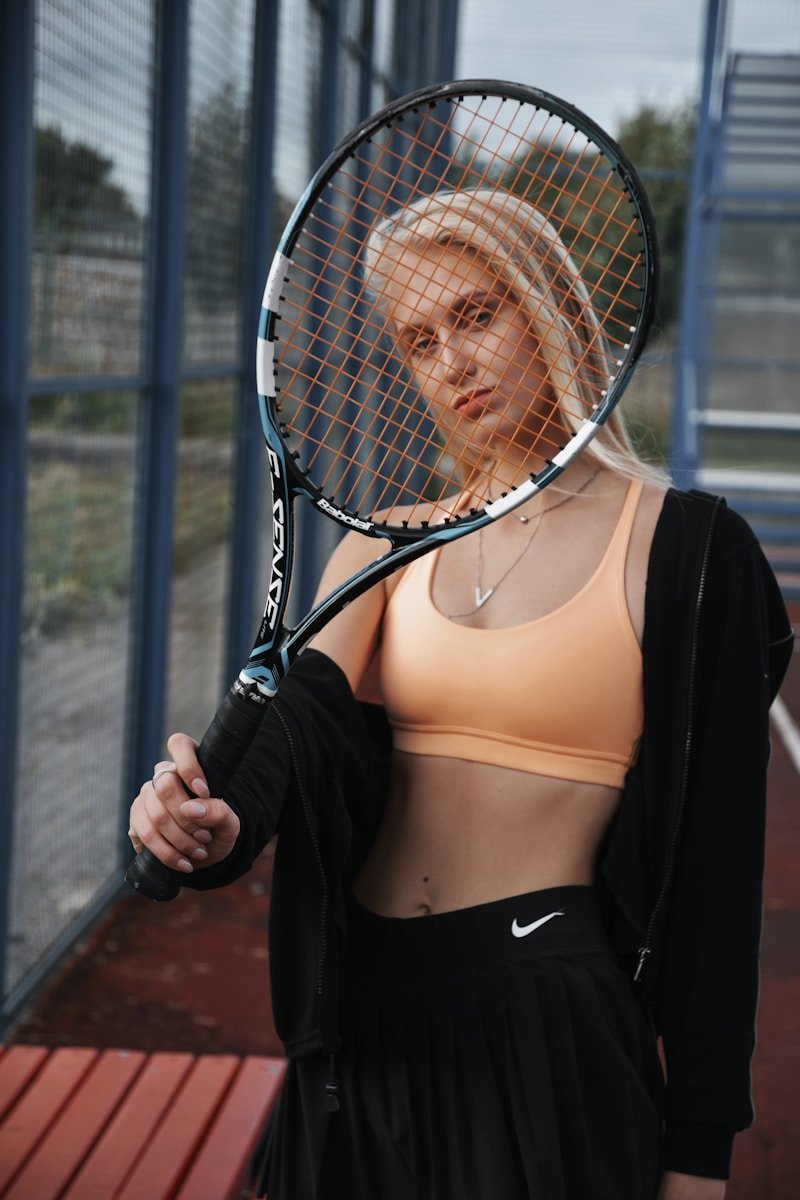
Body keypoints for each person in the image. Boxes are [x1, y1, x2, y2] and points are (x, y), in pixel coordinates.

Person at [129, 188, 794, 1200]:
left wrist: (696, 1147)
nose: (451, 362)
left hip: (541, 1023)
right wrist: (204, 821)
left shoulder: (689, 551)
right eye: (418, 339)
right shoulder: (381, 544)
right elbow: (291, 733)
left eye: (477, 315)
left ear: (550, 309)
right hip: (359, 1035)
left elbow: (715, 862)